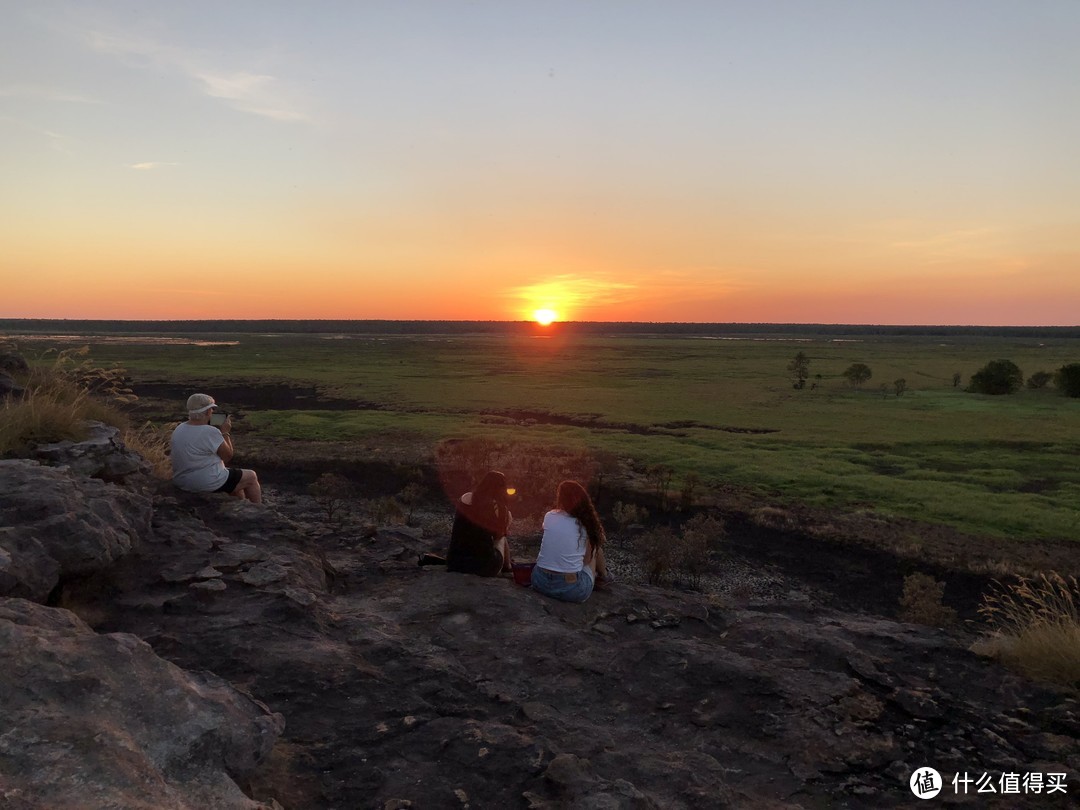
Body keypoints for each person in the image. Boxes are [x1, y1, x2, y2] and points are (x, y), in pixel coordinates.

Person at [170, 393, 262, 503]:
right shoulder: (210, 432)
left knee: (235, 480)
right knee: (251, 476)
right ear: (208, 411)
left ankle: (240, 506)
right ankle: (259, 509)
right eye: (212, 410)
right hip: (204, 482)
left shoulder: (180, 428)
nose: (213, 413)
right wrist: (225, 432)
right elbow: (227, 456)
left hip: (181, 480)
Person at [531, 480, 610, 602]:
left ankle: (604, 575)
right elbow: (586, 561)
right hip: (570, 590)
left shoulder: (549, 516)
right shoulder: (585, 525)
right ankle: (605, 576)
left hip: (539, 581)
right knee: (595, 549)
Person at [446, 470, 513, 577]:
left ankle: (507, 567)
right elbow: (499, 535)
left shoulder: (466, 497)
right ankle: (508, 567)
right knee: (501, 537)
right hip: (484, 567)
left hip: (455, 563)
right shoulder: (500, 509)